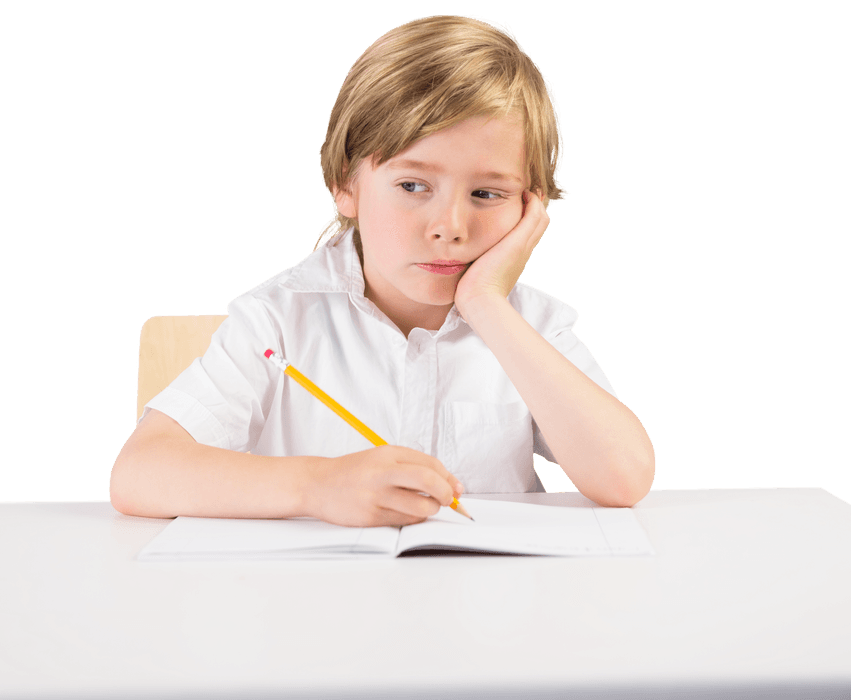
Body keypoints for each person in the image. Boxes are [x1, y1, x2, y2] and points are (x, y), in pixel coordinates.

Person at [110, 14, 655, 527]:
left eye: (487, 193)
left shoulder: (530, 325)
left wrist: (486, 304)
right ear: (346, 184)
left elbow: (624, 478)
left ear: (529, 210)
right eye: (413, 186)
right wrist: (316, 485)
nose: (450, 226)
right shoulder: (277, 318)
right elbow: (138, 473)